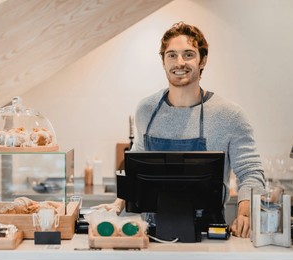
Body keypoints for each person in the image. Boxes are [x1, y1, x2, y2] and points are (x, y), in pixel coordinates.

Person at [97, 22, 265, 238]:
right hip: (151, 234)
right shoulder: (146, 110)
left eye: (188, 54)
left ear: (202, 60)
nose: (179, 63)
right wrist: (117, 205)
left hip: (207, 234)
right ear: (163, 61)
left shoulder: (229, 115)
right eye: (172, 55)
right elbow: (136, 169)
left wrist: (246, 213)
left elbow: (251, 171)